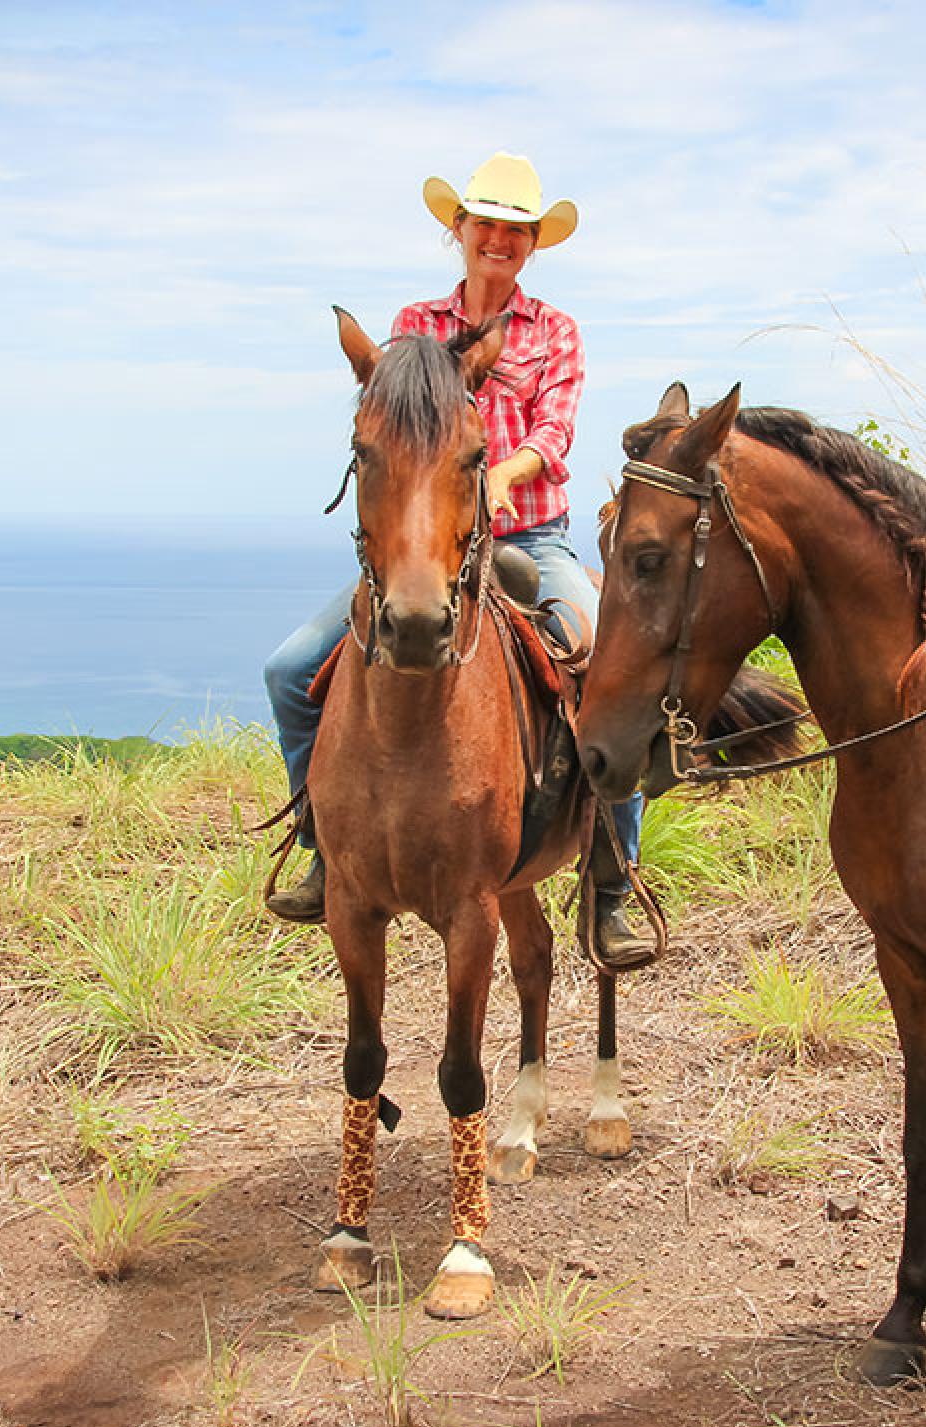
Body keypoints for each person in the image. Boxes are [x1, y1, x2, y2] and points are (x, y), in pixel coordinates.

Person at [264, 151, 652, 963]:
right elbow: (398, 431)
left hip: (530, 536)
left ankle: (614, 882)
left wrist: (505, 473)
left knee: (602, 669)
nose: (499, 240)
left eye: (516, 230)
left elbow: (554, 433)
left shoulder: (557, 333)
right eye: (486, 226)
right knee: (289, 670)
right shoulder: (415, 326)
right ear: (460, 230)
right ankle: (318, 842)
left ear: (533, 242)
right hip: (427, 547)